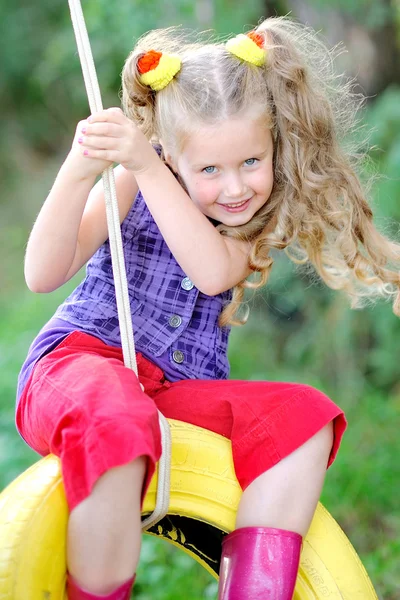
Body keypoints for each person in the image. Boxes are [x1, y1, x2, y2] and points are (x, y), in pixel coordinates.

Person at [16, 15, 400, 600]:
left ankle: (251, 590)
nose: (234, 188)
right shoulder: (133, 182)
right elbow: (42, 274)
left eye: (251, 161)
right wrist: (81, 168)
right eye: (209, 170)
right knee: (118, 419)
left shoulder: (250, 224)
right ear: (169, 151)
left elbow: (212, 269)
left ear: (274, 145)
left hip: (173, 392)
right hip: (83, 364)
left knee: (304, 421)